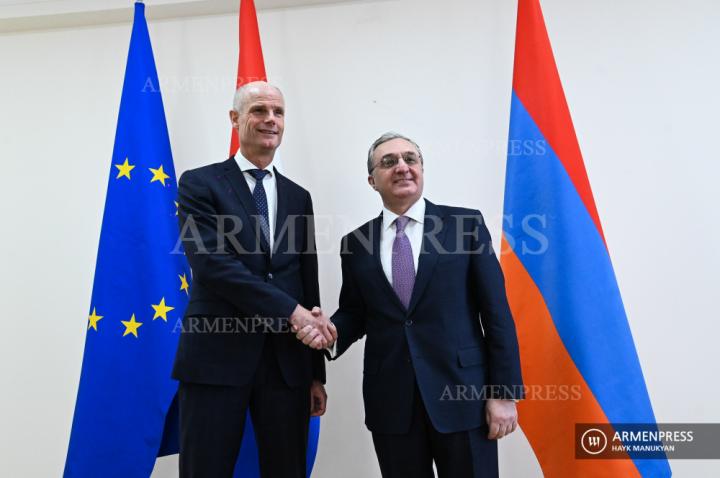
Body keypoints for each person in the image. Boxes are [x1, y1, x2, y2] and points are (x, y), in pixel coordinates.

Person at [298, 132, 524, 477]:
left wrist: (504, 393)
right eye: (389, 162)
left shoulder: (465, 226)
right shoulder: (355, 243)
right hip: (392, 402)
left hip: (462, 397)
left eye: (410, 159)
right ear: (373, 180)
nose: (402, 167)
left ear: (421, 169)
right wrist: (328, 332)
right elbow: (357, 313)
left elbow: (496, 313)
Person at [172, 81, 335, 478]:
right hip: (216, 356)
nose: (270, 120)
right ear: (235, 119)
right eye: (259, 110)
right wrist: (292, 313)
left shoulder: (299, 196)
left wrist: (315, 372)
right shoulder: (199, 183)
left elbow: (305, 280)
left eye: (278, 113)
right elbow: (212, 265)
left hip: (287, 365)